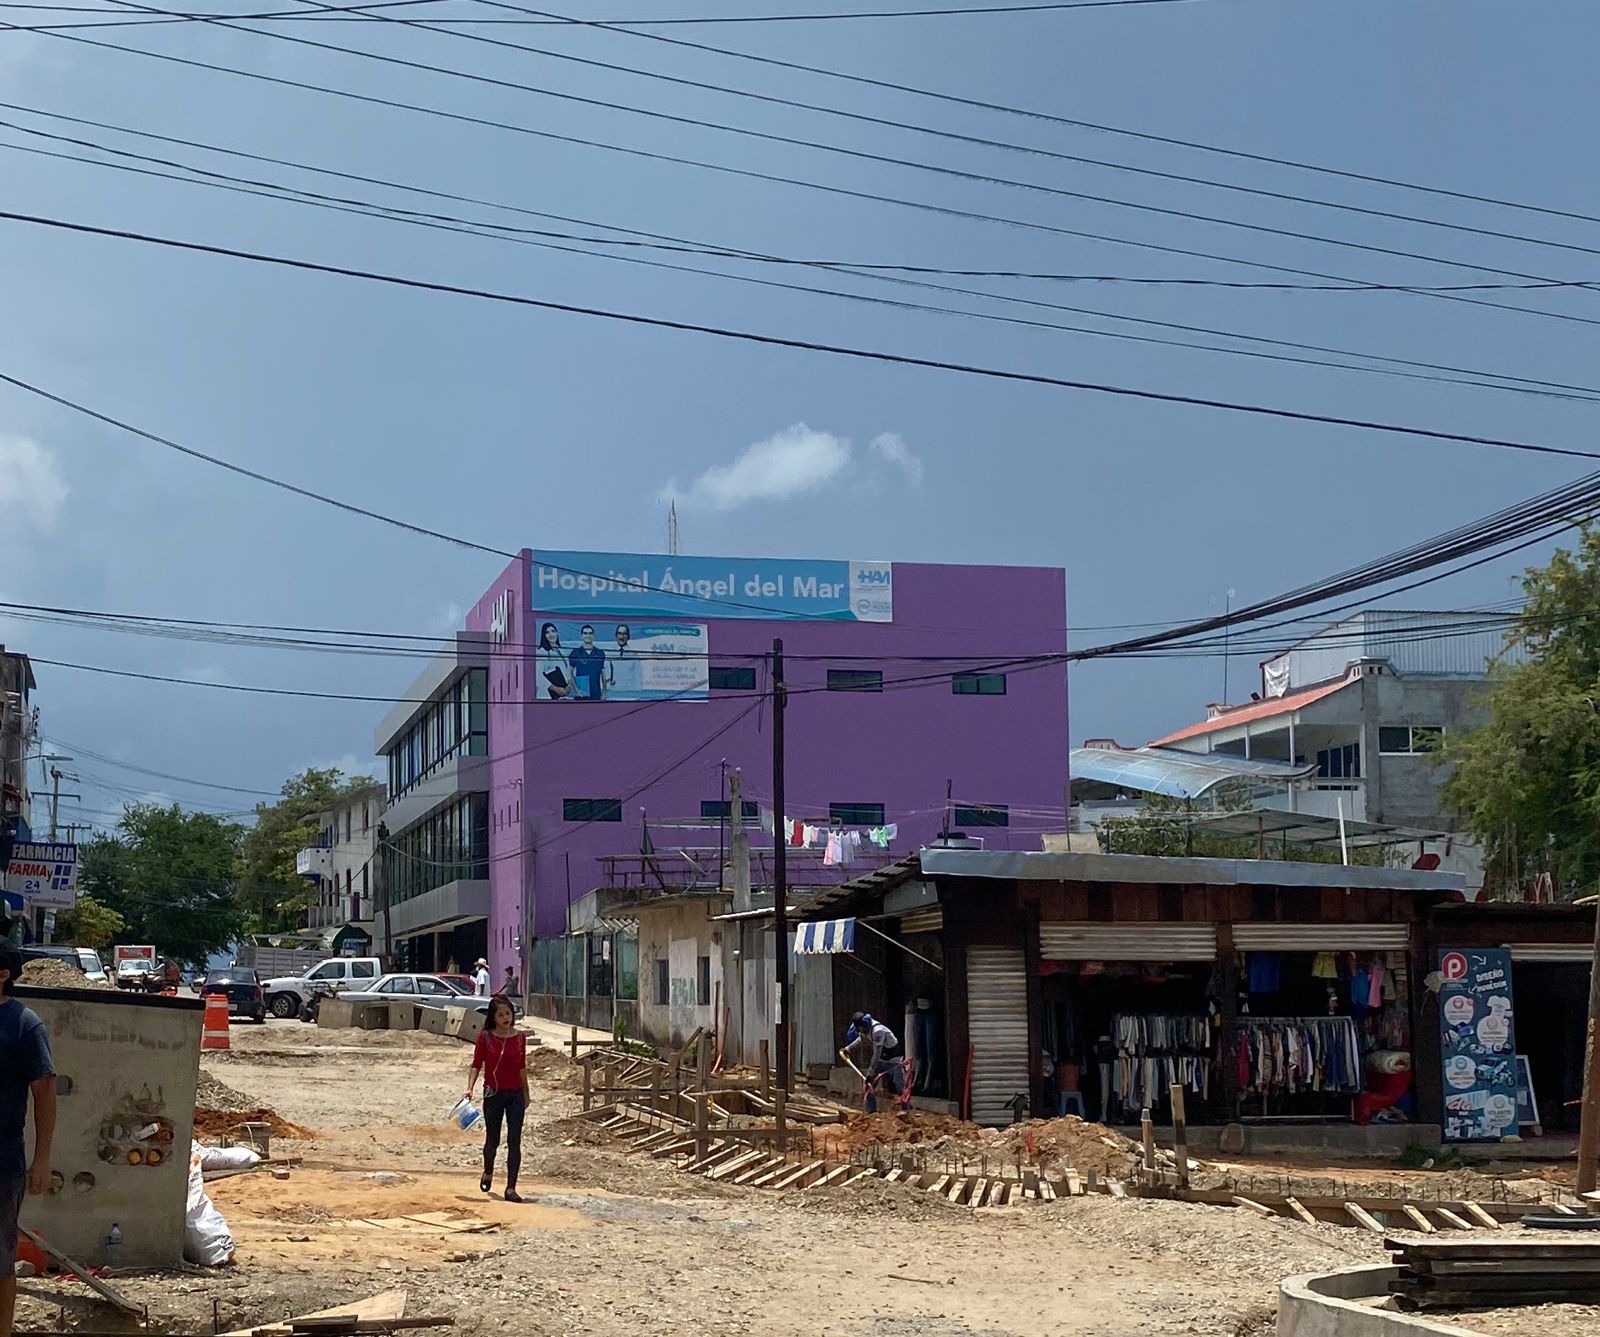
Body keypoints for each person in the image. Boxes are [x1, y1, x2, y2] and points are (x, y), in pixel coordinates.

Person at [1, 942, 55, 1337]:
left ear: (3, 974)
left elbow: (45, 1094)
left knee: (0, 1259)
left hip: (2, 1159)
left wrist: (41, 1160)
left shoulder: (23, 1025)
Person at [465, 996, 527, 1203]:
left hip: (516, 1094)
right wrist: (469, 1088)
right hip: (493, 1093)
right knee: (493, 1139)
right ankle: (488, 1171)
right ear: (493, 1017)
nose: (505, 1018)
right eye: (500, 1014)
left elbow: (522, 1067)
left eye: (508, 1013)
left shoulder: (519, 1038)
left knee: (514, 1140)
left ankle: (511, 1188)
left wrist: (526, 1093)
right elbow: (476, 1064)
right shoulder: (485, 1037)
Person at [842, 1011, 905, 1112]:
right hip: (881, 1060)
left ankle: (906, 1110)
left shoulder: (877, 1031)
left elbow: (877, 1053)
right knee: (868, 1086)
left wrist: (871, 1072)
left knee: (899, 1085)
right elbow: (860, 1040)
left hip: (894, 1060)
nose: (860, 1031)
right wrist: (848, 1049)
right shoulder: (864, 1031)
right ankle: (871, 1113)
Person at [568, 624, 607, 701]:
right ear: (581, 636)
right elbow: (570, 672)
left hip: (596, 693)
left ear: (594, 636)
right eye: (585, 633)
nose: (588, 635)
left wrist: (604, 691)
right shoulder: (576, 652)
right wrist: (576, 690)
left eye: (590, 633)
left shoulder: (600, 653)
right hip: (581, 694)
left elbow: (603, 673)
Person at [537, 622, 573, 701]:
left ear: (557, 633)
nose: (551, 634)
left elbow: (567, 671)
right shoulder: (542, 652)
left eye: (553, 631)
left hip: (564, 695)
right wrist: (556, 689)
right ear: (544, 636)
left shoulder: (562, 651)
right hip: (548, 695)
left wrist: (569, 685)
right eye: (547, 632)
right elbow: (538, 676)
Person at [605, 624, 638, 700]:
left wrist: (635, 696)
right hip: (612, 695)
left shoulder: (634, 654)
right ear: (616, 636)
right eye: (619, 633)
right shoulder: (610, 653)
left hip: (630, 696)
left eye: (624, 634)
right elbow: (606, 675)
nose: (621, 637)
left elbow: (638, 677)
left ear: (628, 636)